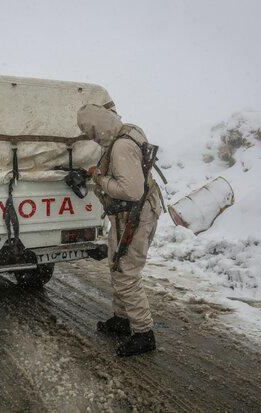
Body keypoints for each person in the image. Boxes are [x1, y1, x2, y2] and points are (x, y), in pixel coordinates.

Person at [77, 104, 162, 356]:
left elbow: (130, 190)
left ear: (98, 128)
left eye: (92, 133)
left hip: (135, 216)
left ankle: (144, 333)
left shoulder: (121, 146)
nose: (93, 138)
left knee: (126, 273)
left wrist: (100, 179)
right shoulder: (130, 131)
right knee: (117, 264)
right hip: (128, 215)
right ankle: (122, 319)